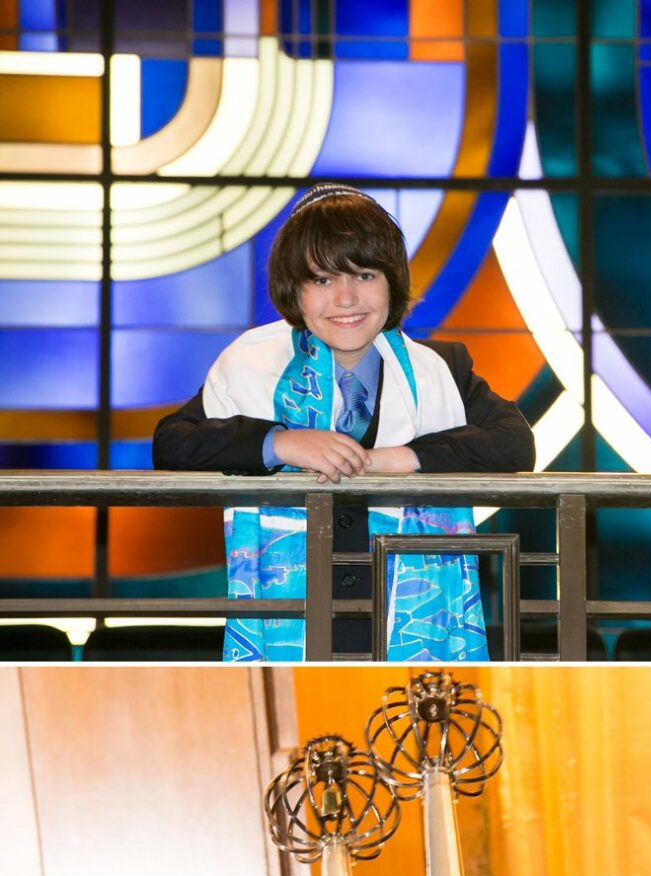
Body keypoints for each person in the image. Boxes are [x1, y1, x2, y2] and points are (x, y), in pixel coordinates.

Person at [152, 183, 534, 662]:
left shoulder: (439, 367)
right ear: (294, 290)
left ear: (392, 282)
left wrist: (395, 459)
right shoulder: (253, 363)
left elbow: (514, 444)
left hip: (415, 619)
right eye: (322, 280)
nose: (346, 298)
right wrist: (281, 444)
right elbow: (173, 443)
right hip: (291, 620)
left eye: (365, 275)